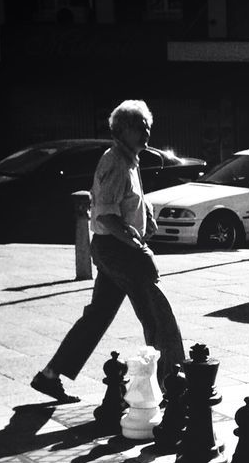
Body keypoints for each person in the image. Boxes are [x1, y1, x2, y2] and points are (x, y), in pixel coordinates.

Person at [30, 99, 185, 403]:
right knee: (158, 315)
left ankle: (50, 375)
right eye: (140, 127)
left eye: (149, 127)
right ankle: (174, 385)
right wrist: (138, 245)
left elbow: (128, 201)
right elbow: (105, 215)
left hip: (113, 249)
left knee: (98, 316)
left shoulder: (129, 159)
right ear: (121, 129)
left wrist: (147, 217)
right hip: (118, 249)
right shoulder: (115, 161)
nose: (147, 133)